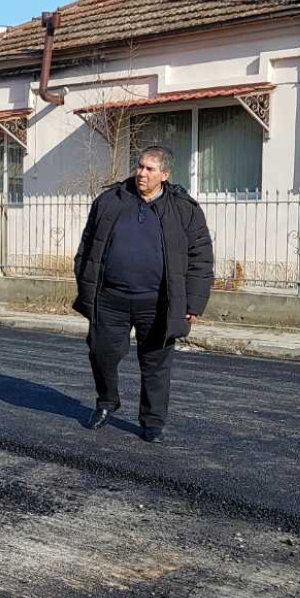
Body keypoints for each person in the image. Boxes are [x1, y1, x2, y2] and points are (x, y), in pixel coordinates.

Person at [71, 146, 213, 443]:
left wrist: (194, 302)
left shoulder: (184, 209)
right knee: (102, 355)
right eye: (139, 166)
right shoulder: (110, 201)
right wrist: (85, 283)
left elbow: (201, 257)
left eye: (150, 169)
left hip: (157, 303)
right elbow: (87, 246)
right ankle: (107, 402)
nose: (141, 173)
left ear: (165, 174)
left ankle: (152, 422)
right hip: (110, 299)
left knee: (155, 365)